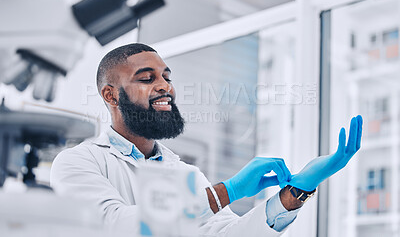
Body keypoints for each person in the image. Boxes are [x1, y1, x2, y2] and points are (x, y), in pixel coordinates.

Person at [50, 43, 363, 236]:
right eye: (147, 79)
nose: (165, 87)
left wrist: (296, 192)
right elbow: (115, 227)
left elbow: (227, 235)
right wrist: (225, 192)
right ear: (111, 95)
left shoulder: (184, 173)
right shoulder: (77, 163)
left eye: (167, 77)